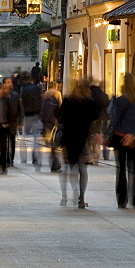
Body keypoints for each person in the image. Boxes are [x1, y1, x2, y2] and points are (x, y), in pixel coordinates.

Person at [58, 78, 101, 208]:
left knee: (70, 168)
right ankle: (81, 197)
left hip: (69, 139)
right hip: (84, 140)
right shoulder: (90, 102)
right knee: (83, 169)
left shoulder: (67, 101)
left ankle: (70, 194)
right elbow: (96, 118)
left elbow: (61, 118)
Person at [109, 73, 135, 209]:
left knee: (121, 168)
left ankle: (122, 199)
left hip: (119, 137)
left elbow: (114, 120)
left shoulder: (119, 101)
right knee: (133, 167)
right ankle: (134, 198)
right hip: (134, 139)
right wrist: (132, 134)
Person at [20, 72, 43, 169]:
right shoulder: (37, 88)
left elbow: (22, 102)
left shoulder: (23, 89)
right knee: (35, 137)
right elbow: (40, 100)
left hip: (26, 115)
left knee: (24, 136)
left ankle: (24, 158)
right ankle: (35, 157)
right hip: (35, 114)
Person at [41, 80, 63, 172]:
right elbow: (61, 105)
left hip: (46, 119)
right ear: (55, 86)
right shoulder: (57, 93)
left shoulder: (46, 93)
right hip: (54, 119)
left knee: (48, 134)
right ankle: (55, 162)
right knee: (54, 139)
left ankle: (48, 140)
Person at [89, 78, 111, 162]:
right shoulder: (104, 95)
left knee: (91, 136)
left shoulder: (90, 93)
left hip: (91, 118)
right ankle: (100, 155)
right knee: (101, 135)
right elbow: (107, 107)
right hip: (102, 118)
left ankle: (92, 155)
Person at [3, 77, 22, 166]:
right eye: (7, 82)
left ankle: (11, 159)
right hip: (2, 121)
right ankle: (5, 158)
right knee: (4, 141)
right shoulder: (1, 95)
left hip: (13, 121)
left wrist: (20, 122)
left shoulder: (16, 95)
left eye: (10, 82)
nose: (9, 84)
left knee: (12, 141)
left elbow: (20, 109)